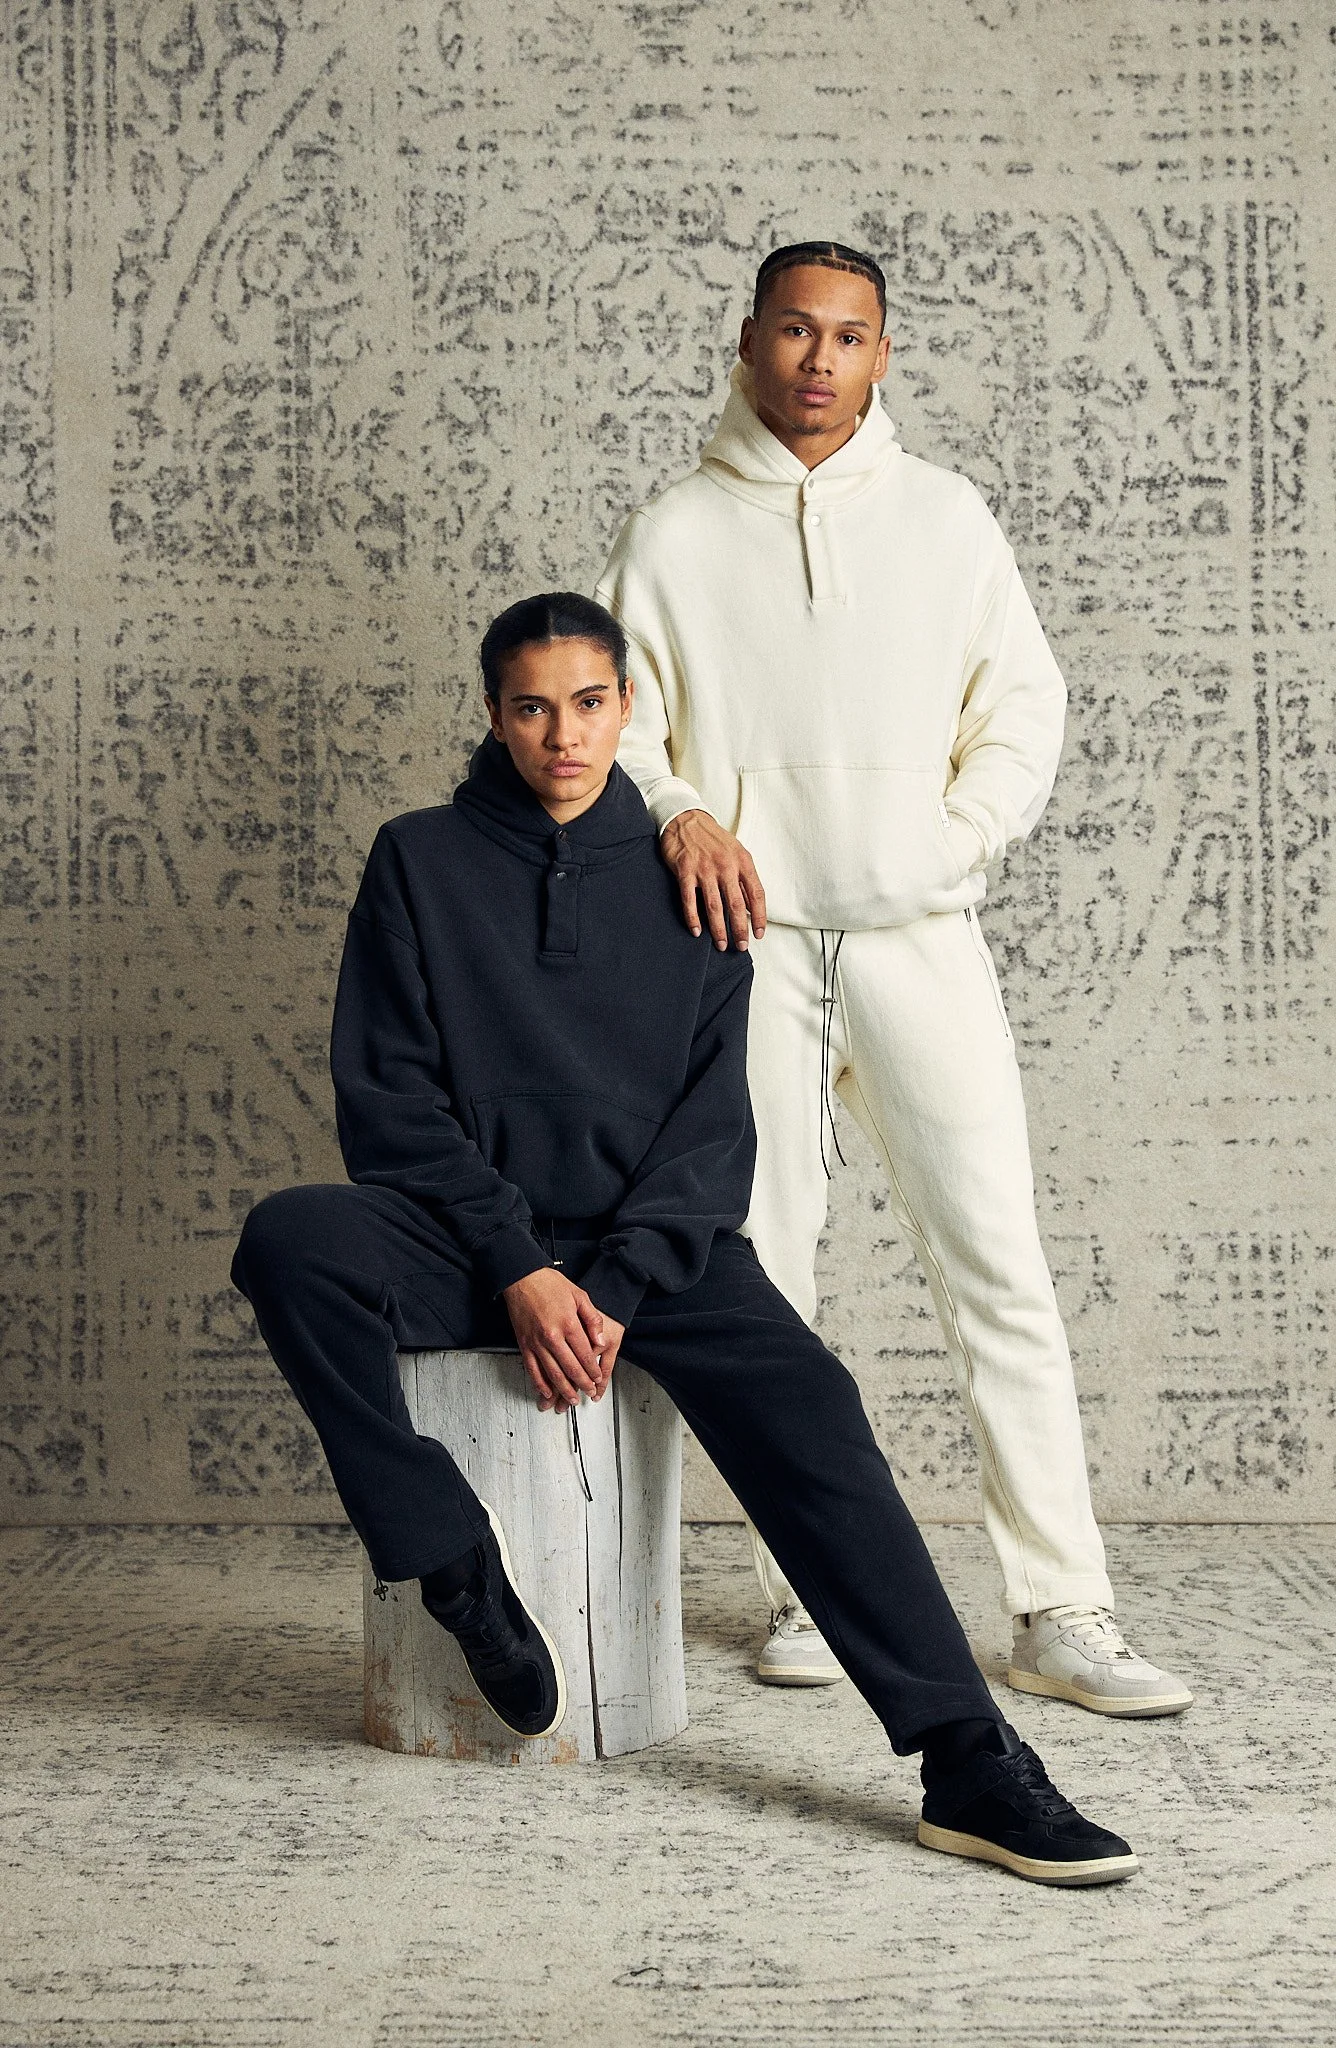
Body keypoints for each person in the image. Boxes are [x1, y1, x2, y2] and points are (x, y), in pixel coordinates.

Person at [232, 593, 1139, 1886]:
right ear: (495, 712)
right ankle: (446, 1554)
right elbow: (388, 1105)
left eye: (589, 704)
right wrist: (519, 1266)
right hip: (469, 1241)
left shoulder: (698, 883)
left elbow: (717, 1136)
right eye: (533, 706)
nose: (562, 734)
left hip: (652, 1259)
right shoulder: (418, 861)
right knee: (290, 1241)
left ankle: (968, 1758)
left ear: (628, 710)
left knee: (815, 1400)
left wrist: (603, 1282)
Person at [595, 242, 1192, 1716]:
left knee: (997, 1266)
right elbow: (620, 724)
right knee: (770, 1285)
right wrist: (679, 812)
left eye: (849, 337)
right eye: (795, 329)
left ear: (882, 356)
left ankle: (1062, 1611)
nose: (818, 359)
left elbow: (1025, 706)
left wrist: (955, 840)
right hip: (751, 956)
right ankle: (812, 1594)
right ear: (748, 341)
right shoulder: (670, 534)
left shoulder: (947, 521)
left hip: (922, 939)